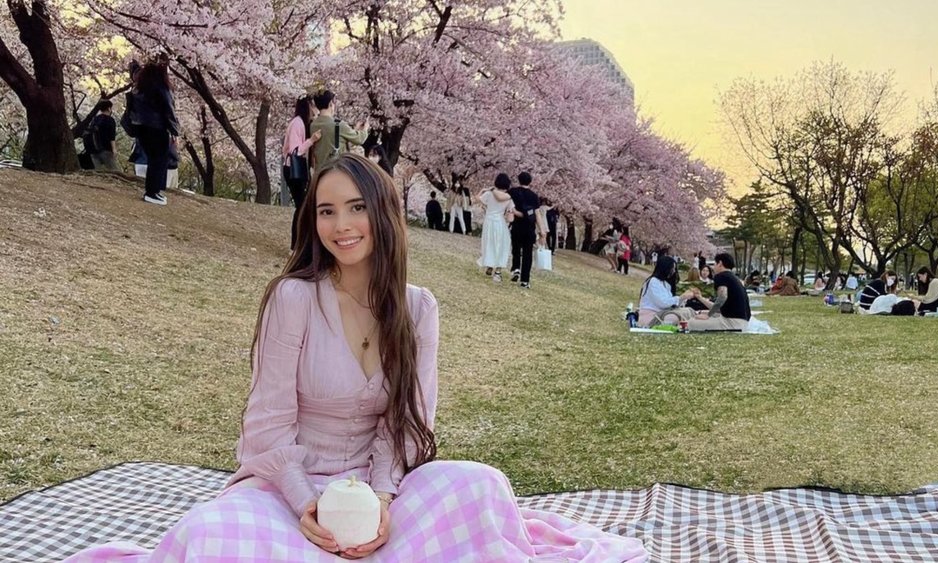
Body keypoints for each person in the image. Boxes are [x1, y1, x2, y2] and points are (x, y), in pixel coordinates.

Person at [62, 154, 648, 562]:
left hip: (380, 485)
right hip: (285, 487)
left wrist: (382, 501)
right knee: (213, 534)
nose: (340, 225)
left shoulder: (419, 308)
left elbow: (411, 422)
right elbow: (266, 426)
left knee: (483, 488)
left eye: (354, 208)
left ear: (383, 214)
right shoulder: (293, 298)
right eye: (325, 211)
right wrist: (307, 504)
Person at [130, 57, 179, 205]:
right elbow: (169, 108)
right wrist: (175, 130)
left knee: (154, 159)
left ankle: (153, 192)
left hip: (141, 127)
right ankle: (152, 192)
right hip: (157, 127)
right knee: (159, 160)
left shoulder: (140, 87)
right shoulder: (161, 86)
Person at [666, 253, 752, 332]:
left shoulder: (721, 276)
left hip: (731, 323)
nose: (713, 267)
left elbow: (722, 297)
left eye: (714, 264)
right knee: (699, 315)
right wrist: (700, 298)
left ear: (720, 263)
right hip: (742, 323)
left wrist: (708, 315)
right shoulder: (735, 278)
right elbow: (719, 306)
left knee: (688, 323)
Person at [282, 96, 322, 249]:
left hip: (298, 168)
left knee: (303, 206)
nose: (315, 110)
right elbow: (295, 151)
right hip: (293, 168)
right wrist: (311, 140)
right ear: (307, 106)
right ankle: (296, 245)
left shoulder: (302, 123)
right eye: (313, 106)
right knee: (302, 206)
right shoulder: (297, 123)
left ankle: (299, 244)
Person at [310, 90, 367, 167]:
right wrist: (365, 129)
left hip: (319, 171)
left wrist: (355, 129)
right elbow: (359, 139)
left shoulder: (313, 125)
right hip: (336, 171)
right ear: (331, 103)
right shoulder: (338, 125)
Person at [637, 255, 697, 327]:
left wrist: (684, 299)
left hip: (664, 312)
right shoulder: (653, 282)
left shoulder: (666, 284)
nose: (674, 271)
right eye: (672, 269)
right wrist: (681, 297)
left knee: (689, 310)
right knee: (673, 317)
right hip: (653, 316)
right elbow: (663, 303)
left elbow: (671, 304)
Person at [508, 171, 543, 288]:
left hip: (517, 226)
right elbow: (537, 215)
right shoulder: (534, 196)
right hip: (529, 229)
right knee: (528, 254)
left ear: (519, 180)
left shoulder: (512, 192)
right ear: (530, 181)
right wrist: (542, 231)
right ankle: (525, 281)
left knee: (516, 249)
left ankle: (516, 268)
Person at [478, 174, 515, 282]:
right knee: (502, 245)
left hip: (489, 221)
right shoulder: (508, 197)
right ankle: (498, 271)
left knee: (489, 243)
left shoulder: (489, 194)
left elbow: (477, 199)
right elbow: (511, 214)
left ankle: (489, 265)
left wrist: (482, 190)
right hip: (500, 222)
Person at [88, 100, 121, 172]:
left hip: (93, 149)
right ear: (109, 108)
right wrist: (114, 149)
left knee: (98, 172)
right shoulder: (110, 120)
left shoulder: (95, 119)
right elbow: (112, 136)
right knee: (114, 171)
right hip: (106, 149)